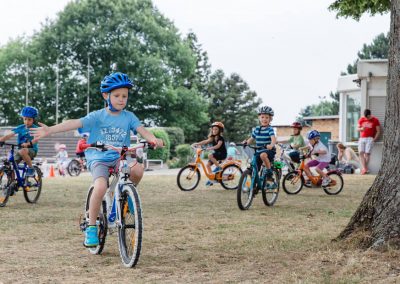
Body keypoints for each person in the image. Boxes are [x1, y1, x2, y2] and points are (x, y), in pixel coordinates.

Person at [31, 72, 163, 247]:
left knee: (137, 169)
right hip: (99, 157)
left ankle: (124, 199)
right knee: (100, 186)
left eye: (125, 96)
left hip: (119, 156)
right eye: (117, 96)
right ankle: (91, 226)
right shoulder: (98, 116)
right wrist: (50, 130)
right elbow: (74, 123)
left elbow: (142, 130)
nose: (121, 99)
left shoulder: (129, 117)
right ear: (106, 95)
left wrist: (153, 139)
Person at [243, 105, 277, 189]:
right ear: (259, 118)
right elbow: (251, 139)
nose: (264, 119)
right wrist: (246, 143)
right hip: (259, 150)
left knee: (263, 155)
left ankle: (269, 173)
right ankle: (253, 186)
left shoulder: (270, 129)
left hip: (269, 151)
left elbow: (273, 139)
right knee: (254, 167)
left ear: (270, 119)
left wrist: (271, 145)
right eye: (262, 117)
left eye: (267, 117)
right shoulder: (257, 129)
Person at [0, 106, 39, 176]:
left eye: (29, 119)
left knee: (22, 151)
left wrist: (27, 144)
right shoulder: (20, 127)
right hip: (21, 150)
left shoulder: (35, 128)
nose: (27, 121)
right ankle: (12, 183)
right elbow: (9, 135)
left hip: (32, 150)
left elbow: (36, 139)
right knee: (10, 166)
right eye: (25, 119)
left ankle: (31, 168)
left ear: (33, 120)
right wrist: (1, 140)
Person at [193, 122, 227, 186]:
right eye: (213, 129)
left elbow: (217, 146)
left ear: (220, 130)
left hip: (222, 154)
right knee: (208, 165)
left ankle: (219, 167)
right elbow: (205, 141)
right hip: (216, 154)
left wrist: (208, 148)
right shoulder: (213, 137)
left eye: (216, 129)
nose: (214, 130)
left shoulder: (220, 138)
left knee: (210, 155)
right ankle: (212, 178)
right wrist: (197, 144)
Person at [357, 109, 381, 174]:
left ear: (370, 115)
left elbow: (378, 131)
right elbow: (357, 129)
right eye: (365, 117)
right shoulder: (361, 119)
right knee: (361, 153)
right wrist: (361, 129)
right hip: (362, 138)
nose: (366, 118)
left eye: (367, 117)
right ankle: (365, 169)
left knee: (367, 154)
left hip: (370, 138)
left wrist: (374, 139)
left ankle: (364, 169)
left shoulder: (375, 120)